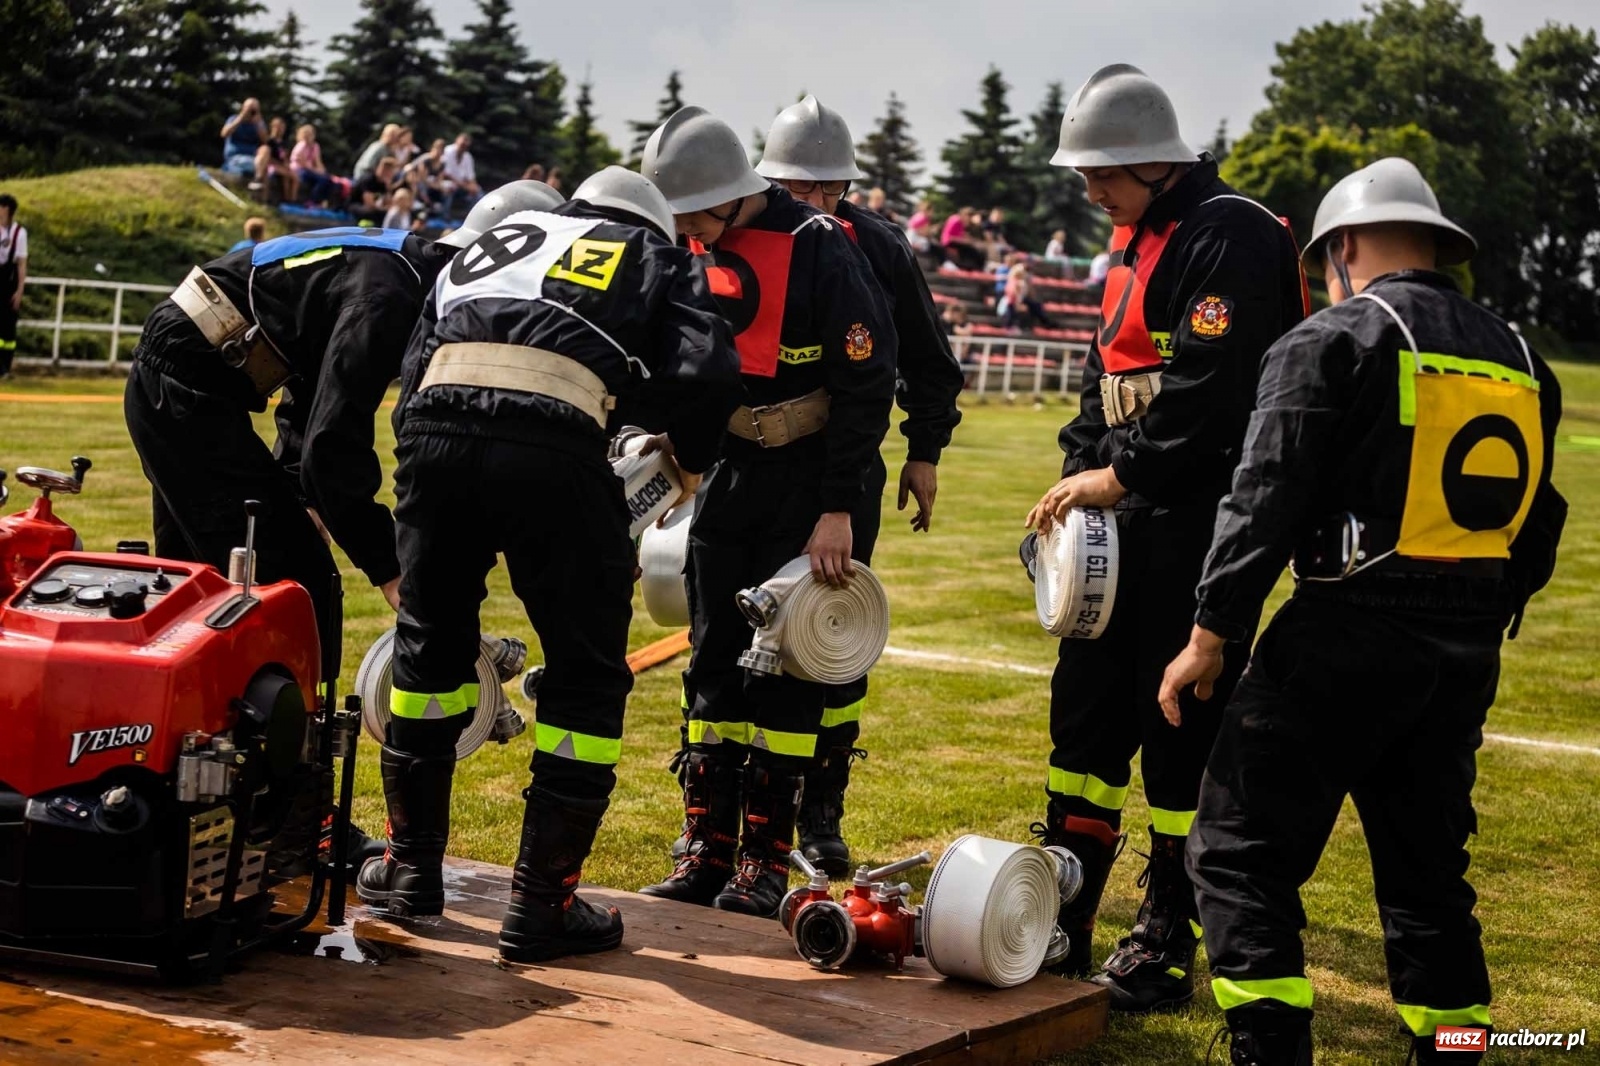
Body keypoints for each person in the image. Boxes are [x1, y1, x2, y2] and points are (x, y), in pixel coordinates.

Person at [1160, 158, 1566, 1066]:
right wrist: (1484, 611)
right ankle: (1453, 1050)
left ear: (1341, 248)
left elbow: (1261, 496)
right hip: (1463, 649)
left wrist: (1209, 634)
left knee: (1237, 852)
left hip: (1344, 633)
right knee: (1429, 881)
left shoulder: (1332, 339)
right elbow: (1538, 519)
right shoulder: (1522, 356)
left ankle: (1271, 1051)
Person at [358, 173, 741, 963]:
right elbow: (706, 374)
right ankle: (541, 906)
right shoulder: (652, 253)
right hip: (553, 446)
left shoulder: (498, 242)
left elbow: (414, 366)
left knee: (427, 646)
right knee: (585, 674)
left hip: (432, 437)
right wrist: (690, 459)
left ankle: (408, 871)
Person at [1021, 63, 1308, 1010]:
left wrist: (1118, 474)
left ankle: (1168, 933)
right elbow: (1104, 381)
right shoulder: (1134, 239)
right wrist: (1074, 476)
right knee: (1085, 723)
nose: (1088, 188)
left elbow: (1212, 392)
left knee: (1178, 730)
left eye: (1100, 172)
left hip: (1191, 522)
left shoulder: (1226, 232)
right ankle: (1065, 909)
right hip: (1124, 520)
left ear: (1151, 161)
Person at [637, 105, 896, 918]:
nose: (682, 229)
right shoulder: (700, 248)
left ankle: (764, 863)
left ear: (723, 196)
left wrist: (838, 509)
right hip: (733, 473)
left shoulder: (820, 247)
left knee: (785, 670)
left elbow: (866, 382)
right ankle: (705, 854)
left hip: (809, 477)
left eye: (687, 213)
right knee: (712, 657)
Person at [745, 95, 964, 876]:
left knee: (829, 643)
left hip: (841, 463)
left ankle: (821, 812)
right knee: (735, 644)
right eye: (791, 189)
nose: (805, 203)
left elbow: (929, 361)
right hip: (751, 465)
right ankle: (733, 822)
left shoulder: (876, 246)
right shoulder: (742, 238)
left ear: (843, 188)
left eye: (819, 190)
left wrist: (925, 450)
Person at [122, 221, 453, 644]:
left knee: (192, 580)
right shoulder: (391, 298)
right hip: (188, 385)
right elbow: (332, 442)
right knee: (298, 586)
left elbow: (310, 388)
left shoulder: (397, 265)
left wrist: (300, 497)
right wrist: (390, 568)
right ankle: (286, 710)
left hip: (186, 371)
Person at [0, 194, 28, 379]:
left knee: (8, 330)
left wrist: (19, 291)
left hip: (8, 283)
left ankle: (5, 367)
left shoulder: (19, 233)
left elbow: (21, 263)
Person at [291, 124, 336, 206]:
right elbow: (302, 162)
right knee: (321, 180)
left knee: (328, 179)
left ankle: (323, 202)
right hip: (299, 169)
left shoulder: (315, 146)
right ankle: (312, 200)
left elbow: (318, 161)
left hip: (310, 169)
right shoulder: (301, 145)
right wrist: (315, 171)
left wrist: (323, 171)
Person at [221, 98, 266, 178]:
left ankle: (257, 179)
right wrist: (240, 118)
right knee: (256, 166)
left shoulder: (259, 123)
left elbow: (265, 140)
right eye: (250, 109)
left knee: (265, 151)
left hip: (254, 158)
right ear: (243, 108)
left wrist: (258, 124)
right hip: (235, 157)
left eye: (255, 110)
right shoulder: (233, 119)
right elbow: (224, 134)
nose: (252, 112)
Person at [350, 158, 398, 225]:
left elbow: (388, 202)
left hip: (374, 207)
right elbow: (369, 204)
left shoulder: (383, 183)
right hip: (356, 204)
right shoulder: (369, 179)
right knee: (375, 214)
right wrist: (384, 209)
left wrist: (388, 187)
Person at [442, 133, 482, 213]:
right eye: (461, 145)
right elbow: (446, 174)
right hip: (448, 182)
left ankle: (473, 216)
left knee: (478, 192)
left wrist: (474, 187)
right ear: (456, 142)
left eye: (465, 146)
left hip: (462, 185)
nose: (462, 148)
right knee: (450, 188)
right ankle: (445, 217)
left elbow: (471, 176)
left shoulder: (467, 157)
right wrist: (464, 186)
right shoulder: (448, 151)